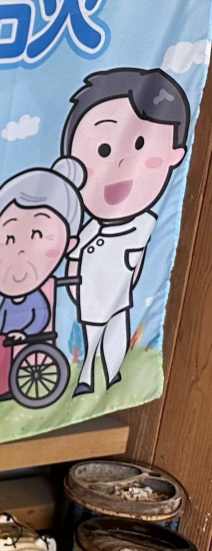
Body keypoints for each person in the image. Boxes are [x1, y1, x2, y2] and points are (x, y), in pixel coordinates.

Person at [56, 67, 191, 395]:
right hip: (89, 288)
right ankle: (87, 376)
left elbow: (139, 257)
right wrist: (74, 282)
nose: (118, 164)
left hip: (117, 288)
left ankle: (113, 374)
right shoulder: (92, 227)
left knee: (117, 328)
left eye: (140, 143)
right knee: (92, 332)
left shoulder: (145, 223)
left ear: (174, 155)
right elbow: (75, 254)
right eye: (102, 150)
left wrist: (129, 277)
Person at [0, 166, 81, 418]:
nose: (20, 251)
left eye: (37, 235)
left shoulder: (36, 298)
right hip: (4, 339)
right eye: (8, 239)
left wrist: (24, 333)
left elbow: (41, 318)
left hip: (23, 342)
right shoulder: (9, 302)